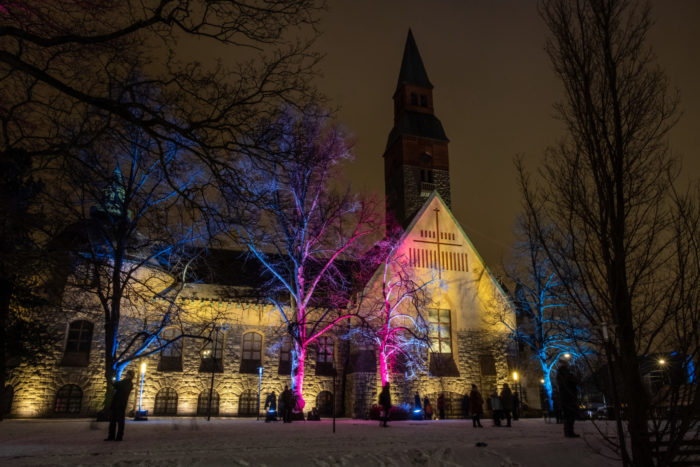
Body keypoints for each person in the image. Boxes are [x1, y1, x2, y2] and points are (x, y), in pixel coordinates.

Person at [105, 369, 134, 441]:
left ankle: (117, 436)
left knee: (119, 422)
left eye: (127, 374)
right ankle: (113, 436)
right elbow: (117, 385)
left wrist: (113, 379)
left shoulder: (127, 383)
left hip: (119, 404)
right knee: (114, 421)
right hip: (119, 404)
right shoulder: (127, 383)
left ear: (130, 376)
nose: (126, 375)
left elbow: (116, 385)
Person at [556, 360, 580, 438]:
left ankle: (568, 431)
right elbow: (573, 382)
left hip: (566, 397)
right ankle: (569, 432)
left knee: (568, 415)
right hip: (568, 397)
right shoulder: (566, 376)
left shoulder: (561, 376)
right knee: (570, 415)